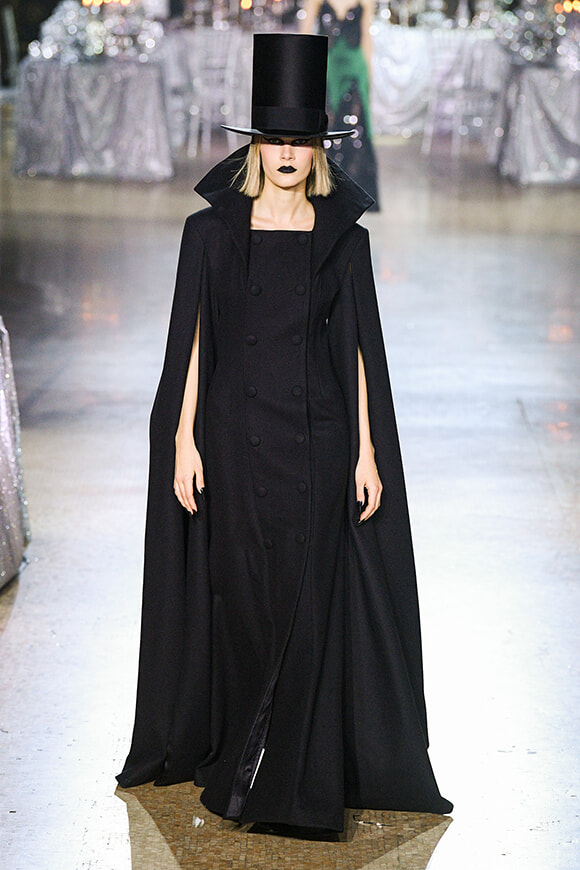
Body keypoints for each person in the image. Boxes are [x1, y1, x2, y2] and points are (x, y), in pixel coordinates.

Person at [117, 33, 451, 833]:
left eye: (302, 141)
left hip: (319, 441)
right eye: (276, 139)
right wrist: (183, 440)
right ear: (257, 148)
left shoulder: (345, 238)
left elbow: (361, 352)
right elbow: (191, 340)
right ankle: (242, 755)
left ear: (319, 150)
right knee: (244, 602)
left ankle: (294, 784)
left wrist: (367, 452)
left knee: (308, 605)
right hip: (232, 440)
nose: (290, 154)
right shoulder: (209, 233)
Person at [301, 0, 380, 209]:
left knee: (356, 128)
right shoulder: (316, 1)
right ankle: (324, 190)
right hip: (327, 66)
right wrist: (306, 71)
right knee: (327, 125)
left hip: (355, 67)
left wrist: (369, 75)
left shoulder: (366, 1)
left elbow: (366, 38)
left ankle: (356, 195)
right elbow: (305, 34)